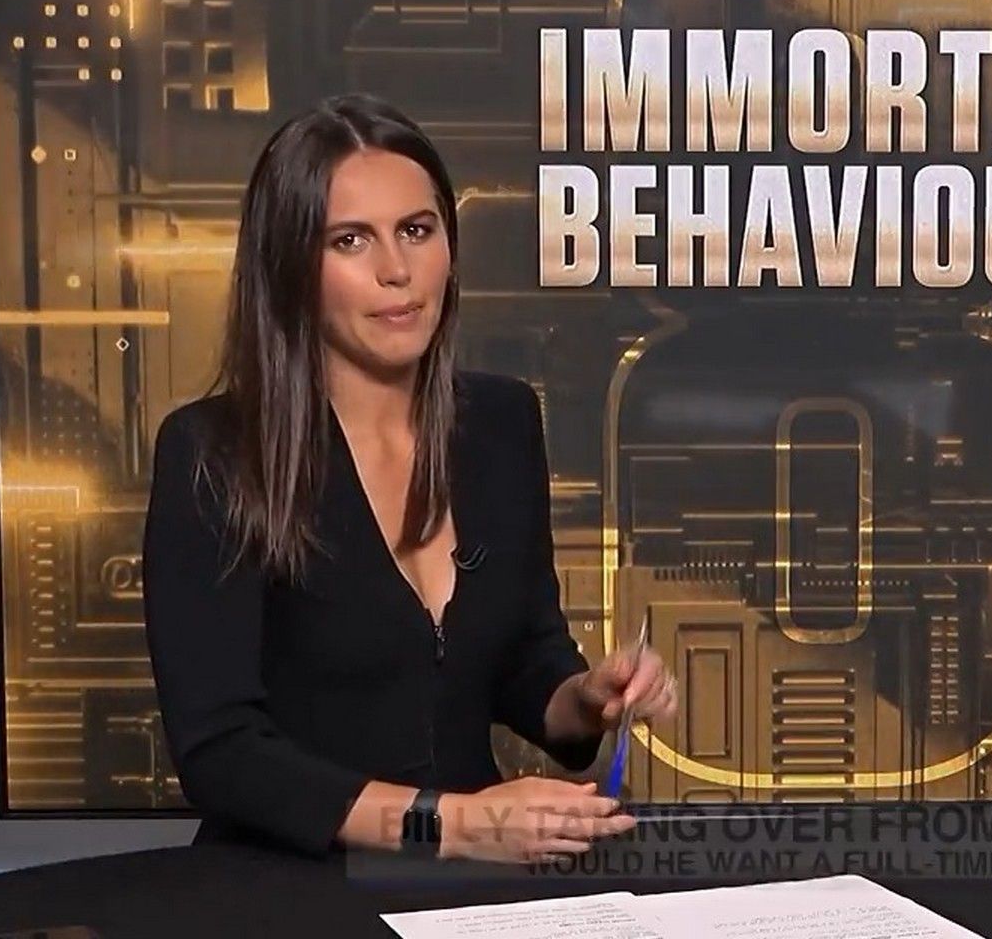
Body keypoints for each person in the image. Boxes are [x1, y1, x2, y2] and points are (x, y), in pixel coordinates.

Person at [141, 94, 677, 862]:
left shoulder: (500, 422)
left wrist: (590, 697)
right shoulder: (213, 453)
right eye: (351, 240)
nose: (396, 271)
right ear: (290, 267)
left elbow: (525, 662)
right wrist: (450, 825)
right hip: (290, 886)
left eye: (417, 231)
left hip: (474, 883)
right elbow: (222, 752)